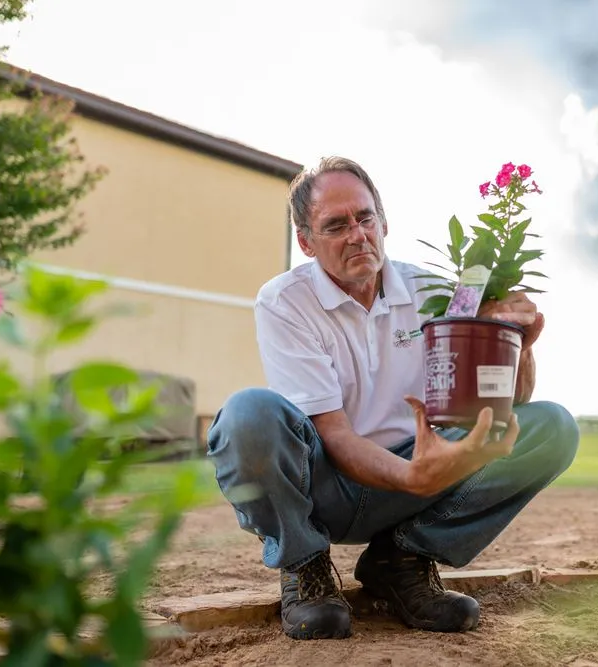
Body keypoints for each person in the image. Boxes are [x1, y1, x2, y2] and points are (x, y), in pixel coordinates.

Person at [206, 156, 579, 640]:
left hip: (417, 474)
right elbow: (334, 434)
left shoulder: (436, 291)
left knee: (552, 428)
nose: (357, 234)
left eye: (365, 218)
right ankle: (306, 566)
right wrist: (413, 475)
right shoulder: (284, 301)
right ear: (306, 242)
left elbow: (502, 405)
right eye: (335, 225)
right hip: (324, 483)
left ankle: (401, 559)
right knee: (247, 415)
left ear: (384, 222)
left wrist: (518, 344)